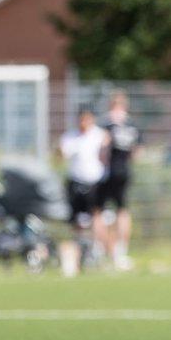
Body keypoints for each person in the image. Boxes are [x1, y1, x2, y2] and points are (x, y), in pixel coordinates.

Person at [59, 106, 110, 267]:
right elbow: (62, 153)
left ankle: (101, 253)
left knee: (97, 217)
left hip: (95, 182)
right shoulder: (71, 136)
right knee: (76, 220)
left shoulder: (100, 135)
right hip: (76, 182)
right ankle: (80, 253)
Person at [99, 89, 142, 270]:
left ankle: (103, 251)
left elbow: (102, 150)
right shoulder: (132, 126)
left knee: (99, 212)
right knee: (122, 212)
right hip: (125, 172)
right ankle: (120, 251)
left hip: (107, 173)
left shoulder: (107, 125)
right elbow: (136, 154)